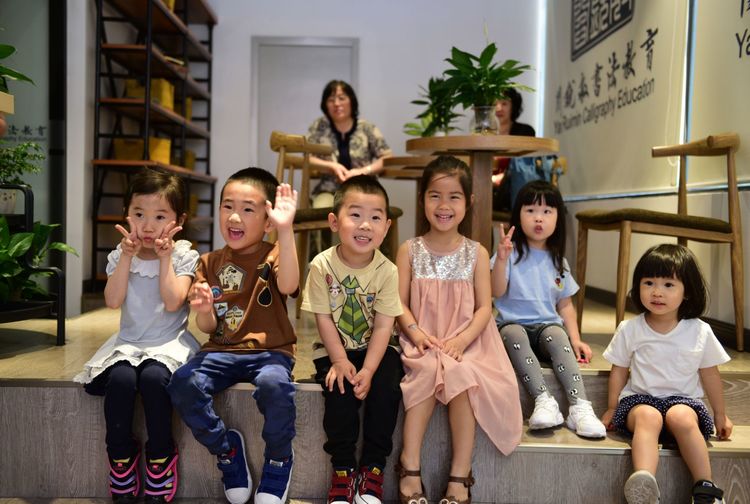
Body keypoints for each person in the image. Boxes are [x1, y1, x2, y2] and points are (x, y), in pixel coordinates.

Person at [167, 168, 299, 504]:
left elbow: (289, 285)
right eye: (227, 206)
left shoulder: (274, 253)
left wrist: (286, 230)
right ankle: (226, 450)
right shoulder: (208, 262)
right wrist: (203, 309)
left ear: (268, 221)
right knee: (182, 382)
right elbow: (208, 327)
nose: (234, 216)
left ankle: (279, 459)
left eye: (248, 209)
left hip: (271, 352)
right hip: (220, 351)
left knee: (275, 386)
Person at [397, 155, 522, 504]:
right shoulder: (409, 250)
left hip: (468, 340)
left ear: (468, 202)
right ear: (422, 199)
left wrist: (462, 340)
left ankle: (459, 474)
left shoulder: (476, 253)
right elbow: (399, 303)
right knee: (425, 372)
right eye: (435, 195)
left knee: (462, 376)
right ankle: (409, 465)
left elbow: (485, 307)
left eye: (454, 197)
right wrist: (416, 333)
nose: (444, 205)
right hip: (422, 337)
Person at [74, 169, 200, 503]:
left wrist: (165, 258)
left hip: (168, 345)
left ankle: (160, 456)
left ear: (179, 220)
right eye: (139, 214)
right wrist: (126, 258)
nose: (147, 226)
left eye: (160, 216)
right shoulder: (121, 255)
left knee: (154, 379)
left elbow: (173, 302)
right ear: (126, 214)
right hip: (128, 344)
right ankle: (120, 458)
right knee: (120, 380)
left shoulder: (183, 255)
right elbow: (113, 301)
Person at [601, 244, 731, 504]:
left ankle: (705, 487)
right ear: (638, 287)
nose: (657, 292)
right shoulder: (630, 328)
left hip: (683, 402)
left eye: (668, 285)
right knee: (648, 416)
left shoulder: (699, 331)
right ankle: (644, 484)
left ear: (687, 292)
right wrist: (612, 407)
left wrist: (720, 414)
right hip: (639, 402)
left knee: (680, 416)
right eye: (648, 283)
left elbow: (710, 375)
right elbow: (619, 370)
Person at [301, 175, 403, 504]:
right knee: (339, 391)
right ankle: (343, 468)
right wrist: (340, 360)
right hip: (334, 349)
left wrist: (369, 370)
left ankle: (373, 467)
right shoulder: (321, 265)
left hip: (378, 350)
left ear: (386, 227)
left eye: (375, 217)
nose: (365, 225)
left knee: (387, 390)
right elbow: (323, 318)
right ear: (334, 222)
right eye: (355, 214)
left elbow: (385, 326)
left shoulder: (387, 271)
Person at [491, 180, 606, 439]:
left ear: (557, 219)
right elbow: (496, 291)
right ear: (518, 215)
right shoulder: (509, 253)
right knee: (513, 334)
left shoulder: (558, 261)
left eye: (547, 211)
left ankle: (580, 407)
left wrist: (575, 339)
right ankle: (544, 400)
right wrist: (501, 259)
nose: (538, 218)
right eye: (530, 210)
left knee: (557, 335)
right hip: (512, 325)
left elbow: (565, 305)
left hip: (546, 327)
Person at [307, 80, 392, 253]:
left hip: (364, 191)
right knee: (319, 210)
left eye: (341, 98)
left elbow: (387, 157)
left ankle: (379, 264)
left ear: (351, 101)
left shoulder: (366, 128)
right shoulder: (319, 126)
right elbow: (306, 157)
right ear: (325, 104)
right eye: (331, 99)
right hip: (329, 189)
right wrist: (331, 166)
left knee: (375, 214)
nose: (336, 103)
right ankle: (318, 262)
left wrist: (363, 171)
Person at [492, 87, 536, 212]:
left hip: (514, 187)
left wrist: (501, 178)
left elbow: (525, 166)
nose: (499, 108)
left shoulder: (525, 131)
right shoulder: (483, 134)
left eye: (504, 103)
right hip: (488, 187)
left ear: (513, 107)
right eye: (494, 104)